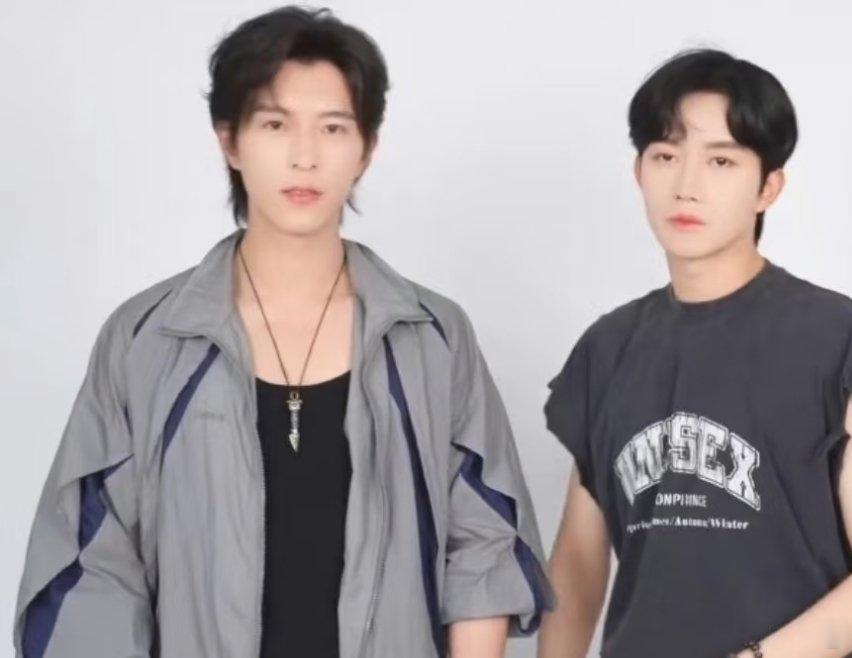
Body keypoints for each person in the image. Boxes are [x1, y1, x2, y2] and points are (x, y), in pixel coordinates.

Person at [14, 7, 552, 658]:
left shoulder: (431, 337)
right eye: (274, 124)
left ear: (366, 149)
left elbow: (482, 550)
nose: (304, 156)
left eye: (333, 127)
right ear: (230, 141)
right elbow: (94, 570)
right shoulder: (147, 340)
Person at [538, 49, 852, 658]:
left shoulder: (838, 337)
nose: (686, 186)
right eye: (666, 156)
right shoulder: (606, 348)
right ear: (639, 171)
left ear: (768, 186)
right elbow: (579, 566)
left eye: (721, 161)